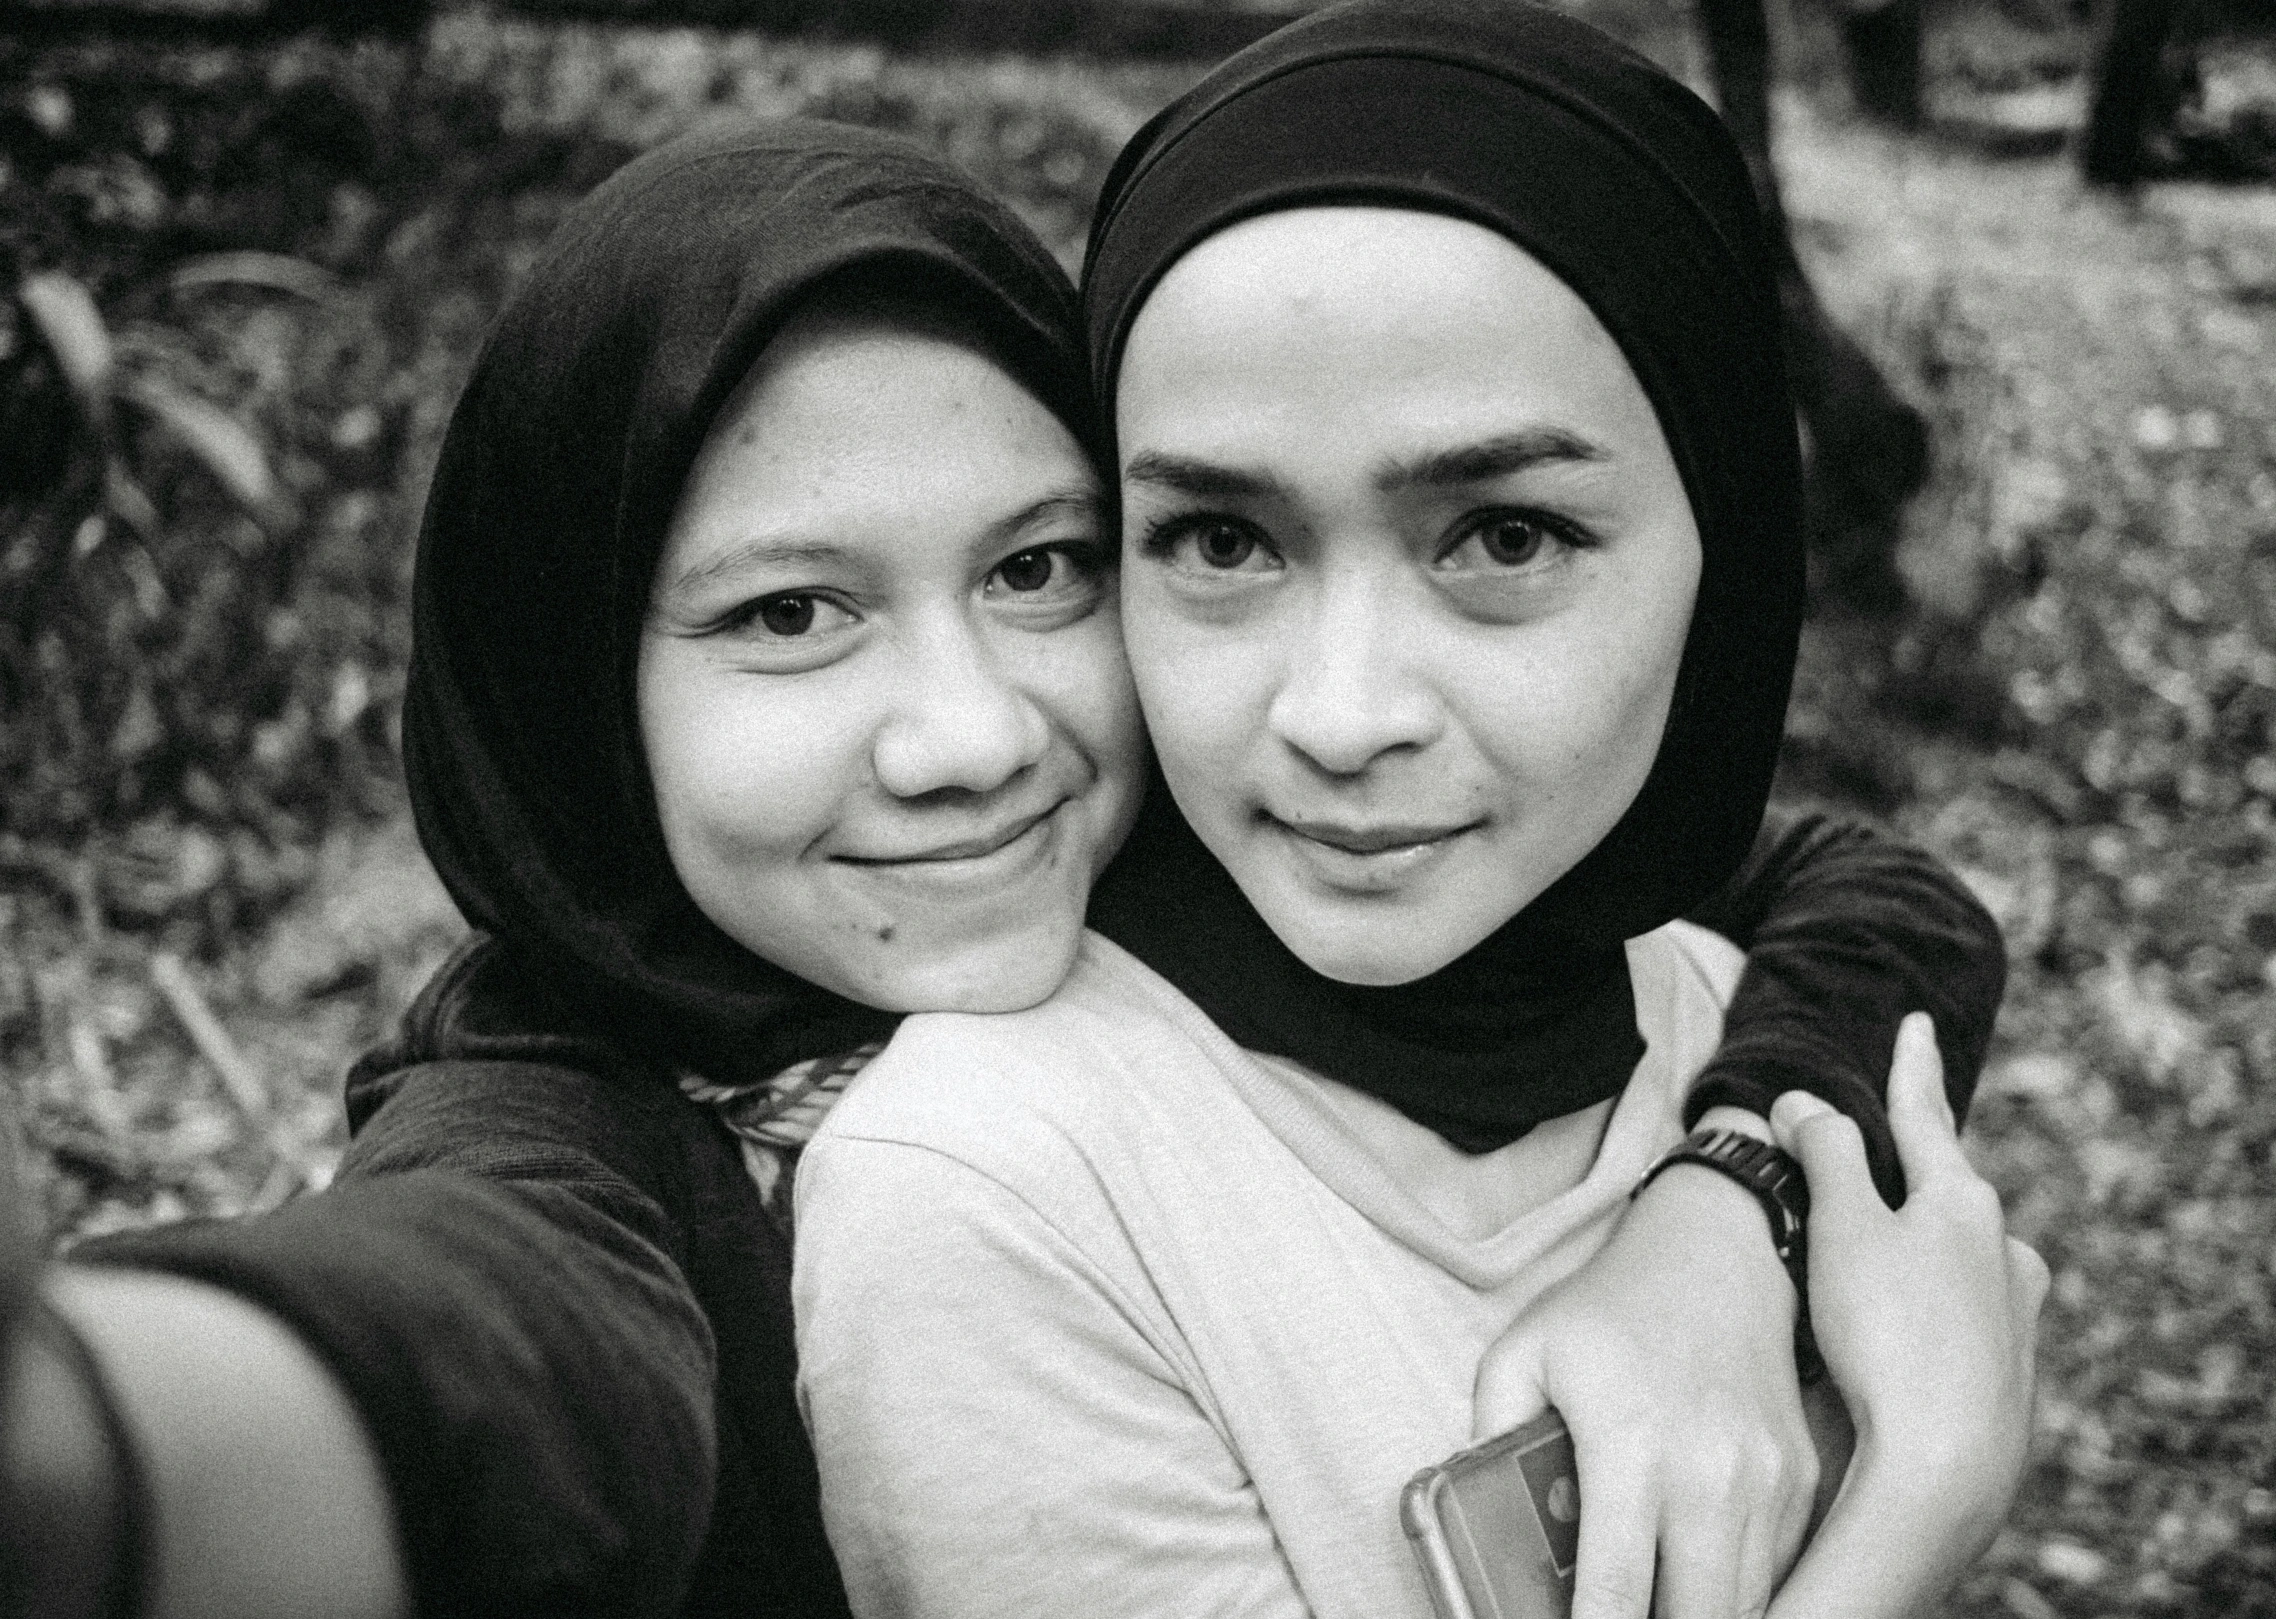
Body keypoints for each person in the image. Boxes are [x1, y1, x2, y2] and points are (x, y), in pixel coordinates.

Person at [1, 112, 2003, 1619]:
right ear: (575, 690)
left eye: (1040, 569)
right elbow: (494, 1342)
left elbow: (1851, 883)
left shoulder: (1255, 849)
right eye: (788, 613)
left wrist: (1721, 1207)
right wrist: (108, 1427)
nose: (970, 736)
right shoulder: (574, 1134)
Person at [789, 7, 2045, 1619]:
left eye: (1504, 538)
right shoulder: (994, 1190)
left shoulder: (1712, 1003)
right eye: (1224, 541)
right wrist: (1912, 1513)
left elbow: (1890, 902)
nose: (1341, 714)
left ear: (1724, 563)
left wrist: (1738, 1198)